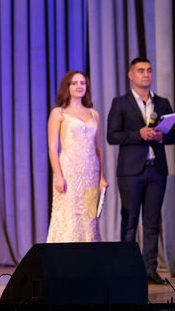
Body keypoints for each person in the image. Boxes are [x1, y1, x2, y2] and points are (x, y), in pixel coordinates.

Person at [106, 57, 175, 285]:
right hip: (131, 171)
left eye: (149, 70)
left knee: (152, 221)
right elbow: (112, 136)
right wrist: (138, 134)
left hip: (157, 170)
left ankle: (149, 269)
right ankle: (127, 271)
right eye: (141, 71)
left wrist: (161, 136)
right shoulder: (120, 103)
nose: (146, 74)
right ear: (131, 75)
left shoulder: (162, 102)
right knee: (129, 220)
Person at [46, 71, 108, 243]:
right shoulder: (58, 113)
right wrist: (58, 175)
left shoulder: (93, 114)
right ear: (67, 87)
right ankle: (65, 255)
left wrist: (102, 177)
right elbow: (52, 147)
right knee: (69, 215)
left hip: (90, 171)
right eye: (75, 83)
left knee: (89, 218)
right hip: (69, 171)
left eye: (82, 83)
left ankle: (88, 254)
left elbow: (98, 148)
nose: (79, 86)